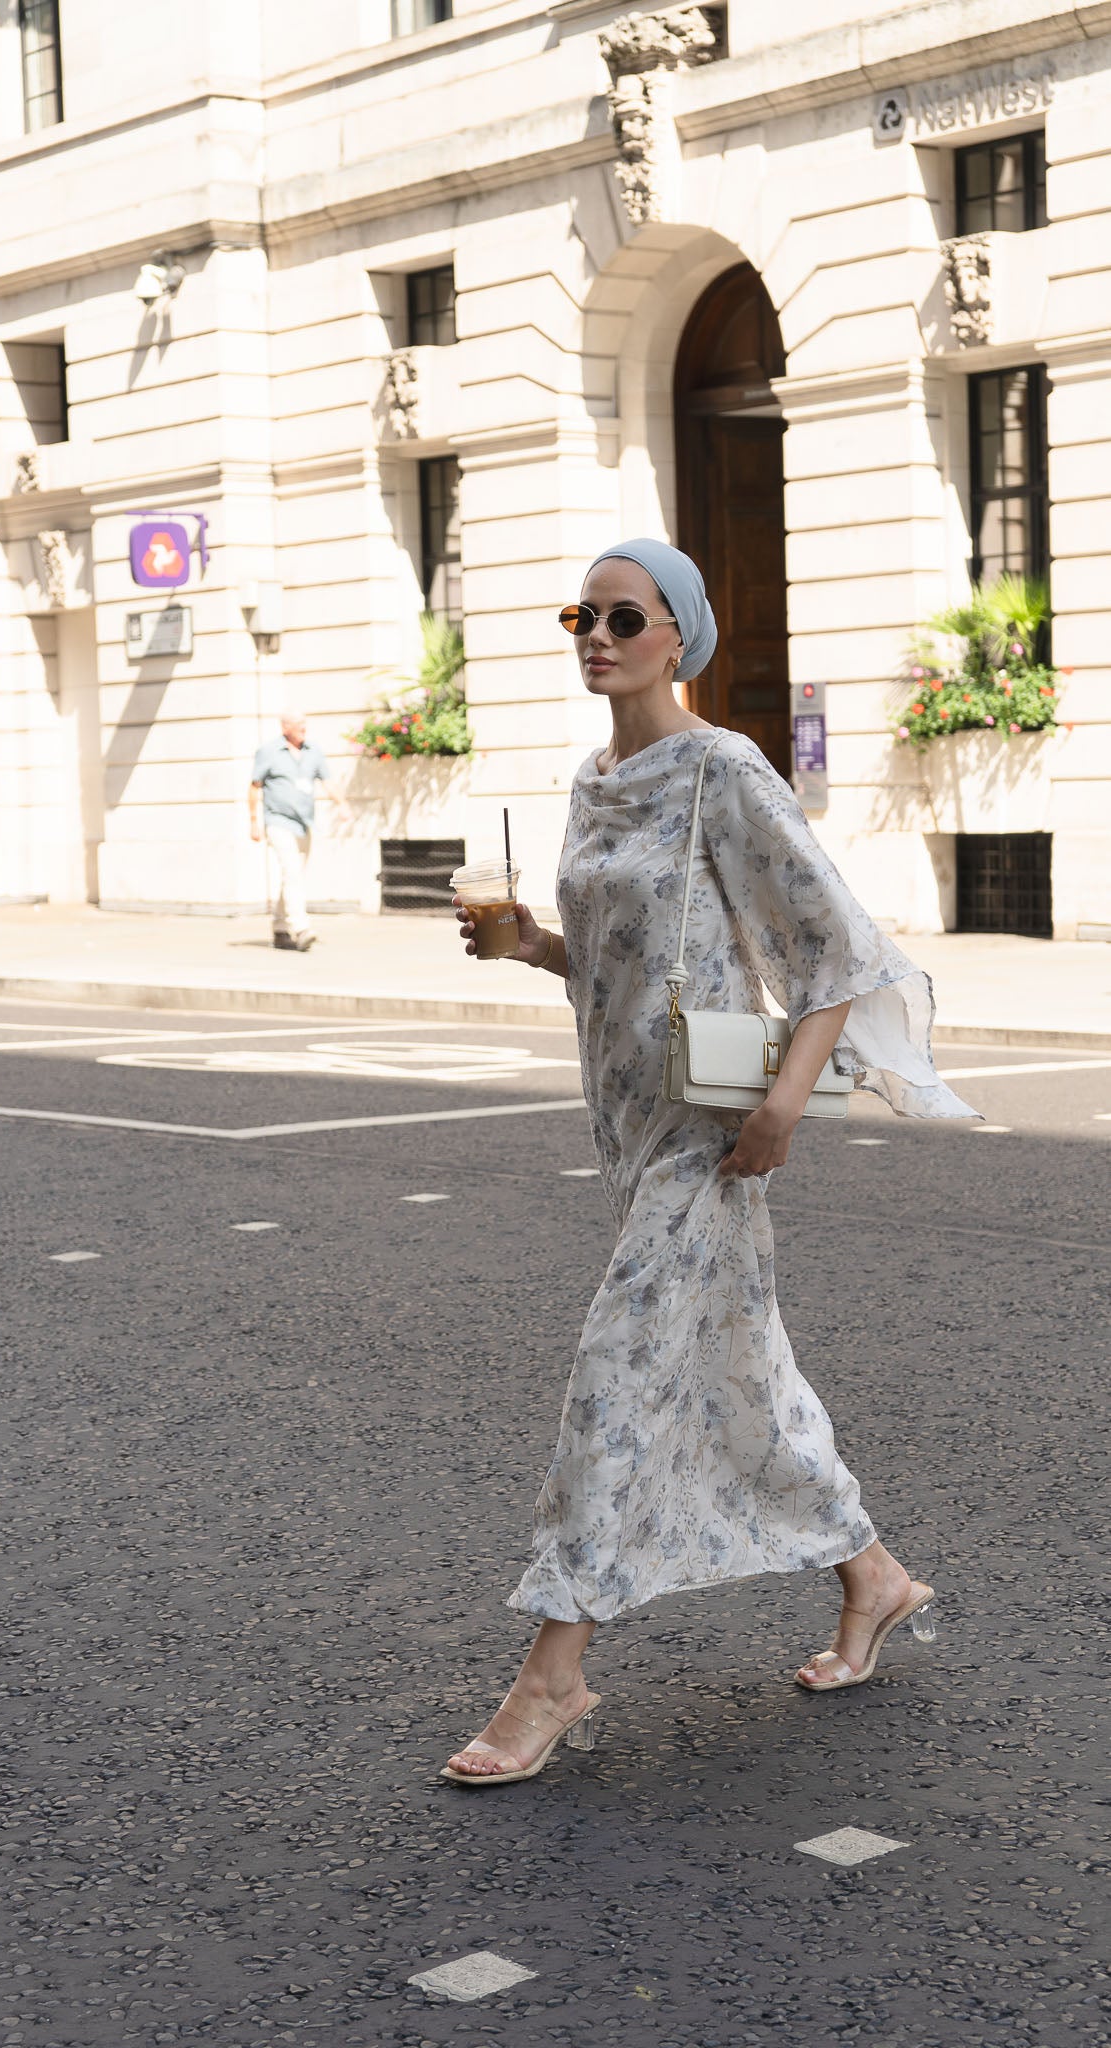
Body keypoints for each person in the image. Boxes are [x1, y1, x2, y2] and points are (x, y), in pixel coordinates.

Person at [445, 537, 979, 1787]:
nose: (596, 635)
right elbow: (620, 960)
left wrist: (784, 1106)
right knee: (745, 1370)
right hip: (630, 1126)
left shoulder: (722, 768)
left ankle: (554, 1671)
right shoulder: (593, 780)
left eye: (623, 617)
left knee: (619, 1369)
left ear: (677, 635)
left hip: (711, 1136)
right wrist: (532, 944)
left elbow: (840, 947)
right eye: (580, 615)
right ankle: (873, 1575)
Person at [249, 713, 348, 951]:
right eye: (298, 724)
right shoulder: (269, 751)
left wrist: (342, 803)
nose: (303, 728)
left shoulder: (313, 751)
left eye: (304, 724)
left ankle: (280, 929)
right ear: (285, 727)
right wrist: (254, 822)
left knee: (292, 876)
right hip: (277, 821)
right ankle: (301, 928)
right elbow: (254, 787)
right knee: (292, 872)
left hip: (303, 823)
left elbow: (328, 781)